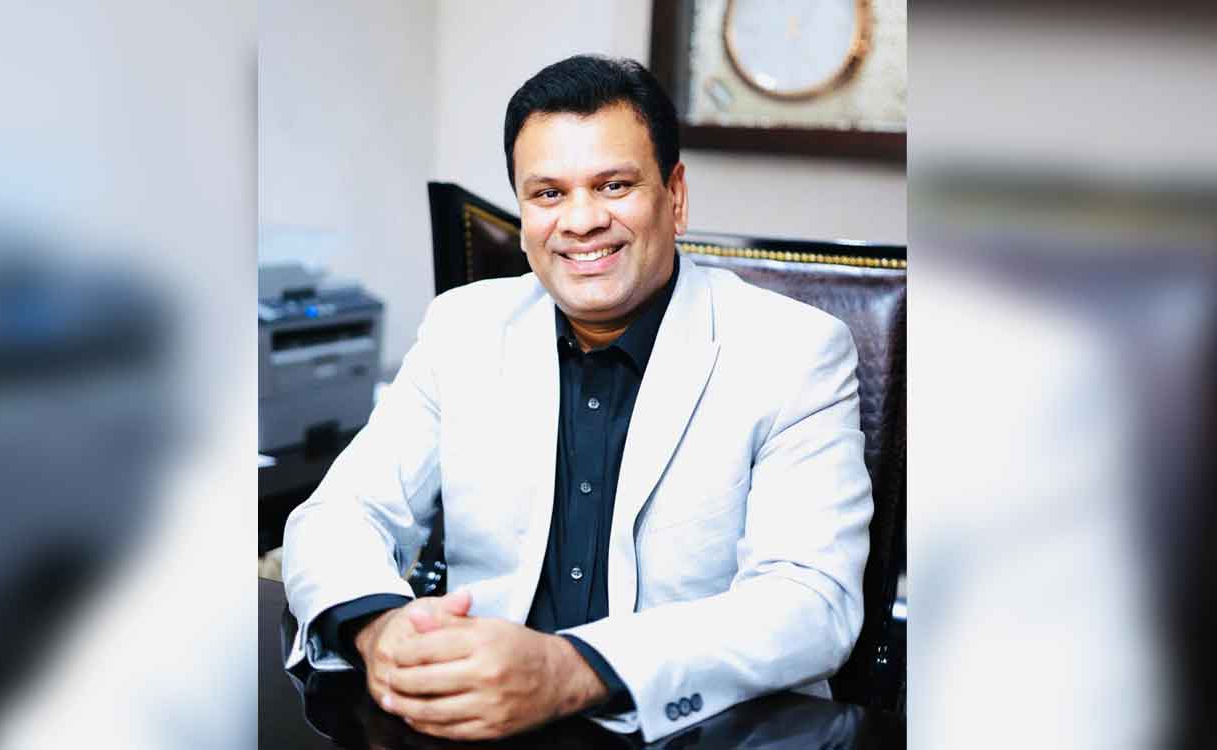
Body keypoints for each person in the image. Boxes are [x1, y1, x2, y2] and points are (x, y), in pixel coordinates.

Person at [282, 54, 872, 743]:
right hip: (483, 722)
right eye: (548, 193)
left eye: (614, 185)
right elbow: (341, 513)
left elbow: (811, 602)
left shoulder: (794, 351)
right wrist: (378, 628)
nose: (582, 220)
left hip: (697, 729)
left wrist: (571, 670)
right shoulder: (463, 327)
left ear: (675, 195)